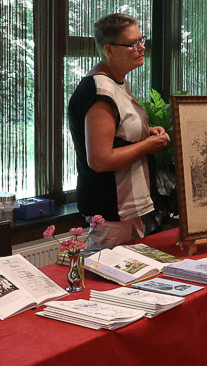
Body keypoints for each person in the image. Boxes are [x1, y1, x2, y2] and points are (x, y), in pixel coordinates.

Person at [67, 13, 169, 249]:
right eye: (133, 43)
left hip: (126, 208)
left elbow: (117, 133)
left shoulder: (116, 81)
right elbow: (100, 160)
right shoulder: (100, 90)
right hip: (110, 209)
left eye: (142, 39)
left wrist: (146, 132)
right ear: (110, 50)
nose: (142, 47)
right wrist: (147, 146)